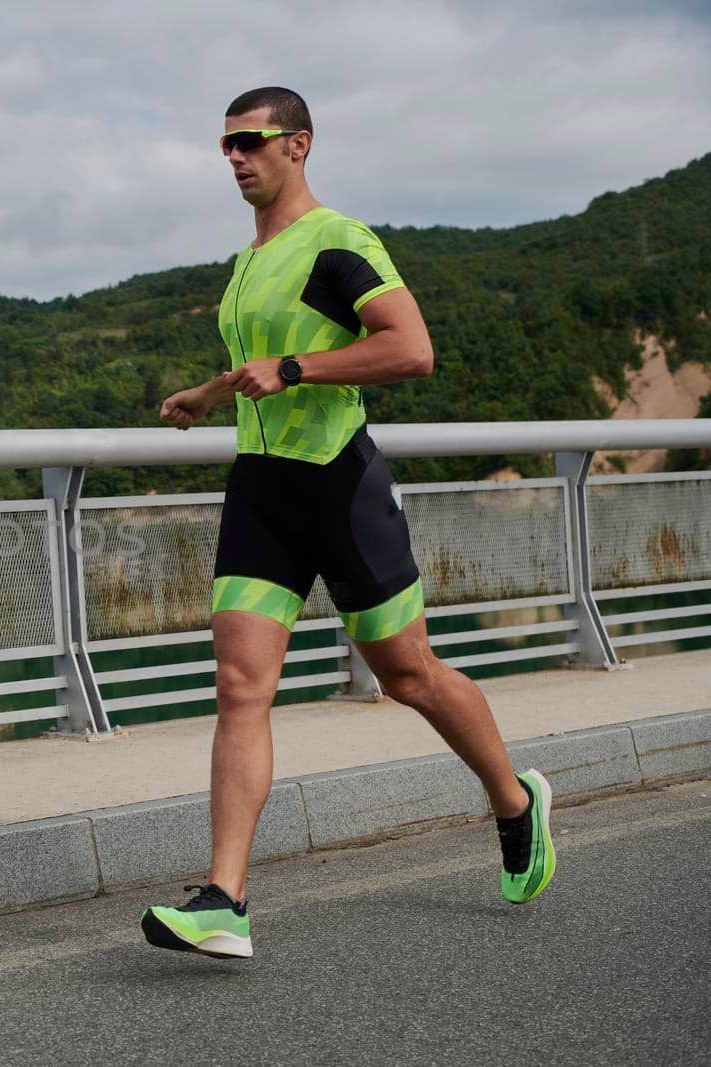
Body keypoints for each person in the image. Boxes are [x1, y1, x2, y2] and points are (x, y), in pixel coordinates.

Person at [143, 87, 554, 960]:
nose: (235, 157)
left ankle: (516, 802)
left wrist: (294, 368)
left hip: (339, 486)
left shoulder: (338, 242)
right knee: (239, 684)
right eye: (224, 146)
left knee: (409, 675)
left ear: (298, 145)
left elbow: (411, 349)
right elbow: (259, 364)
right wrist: (208, 393)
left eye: (250, 142)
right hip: (260, 490)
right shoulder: (251, 259)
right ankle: (225, 899)